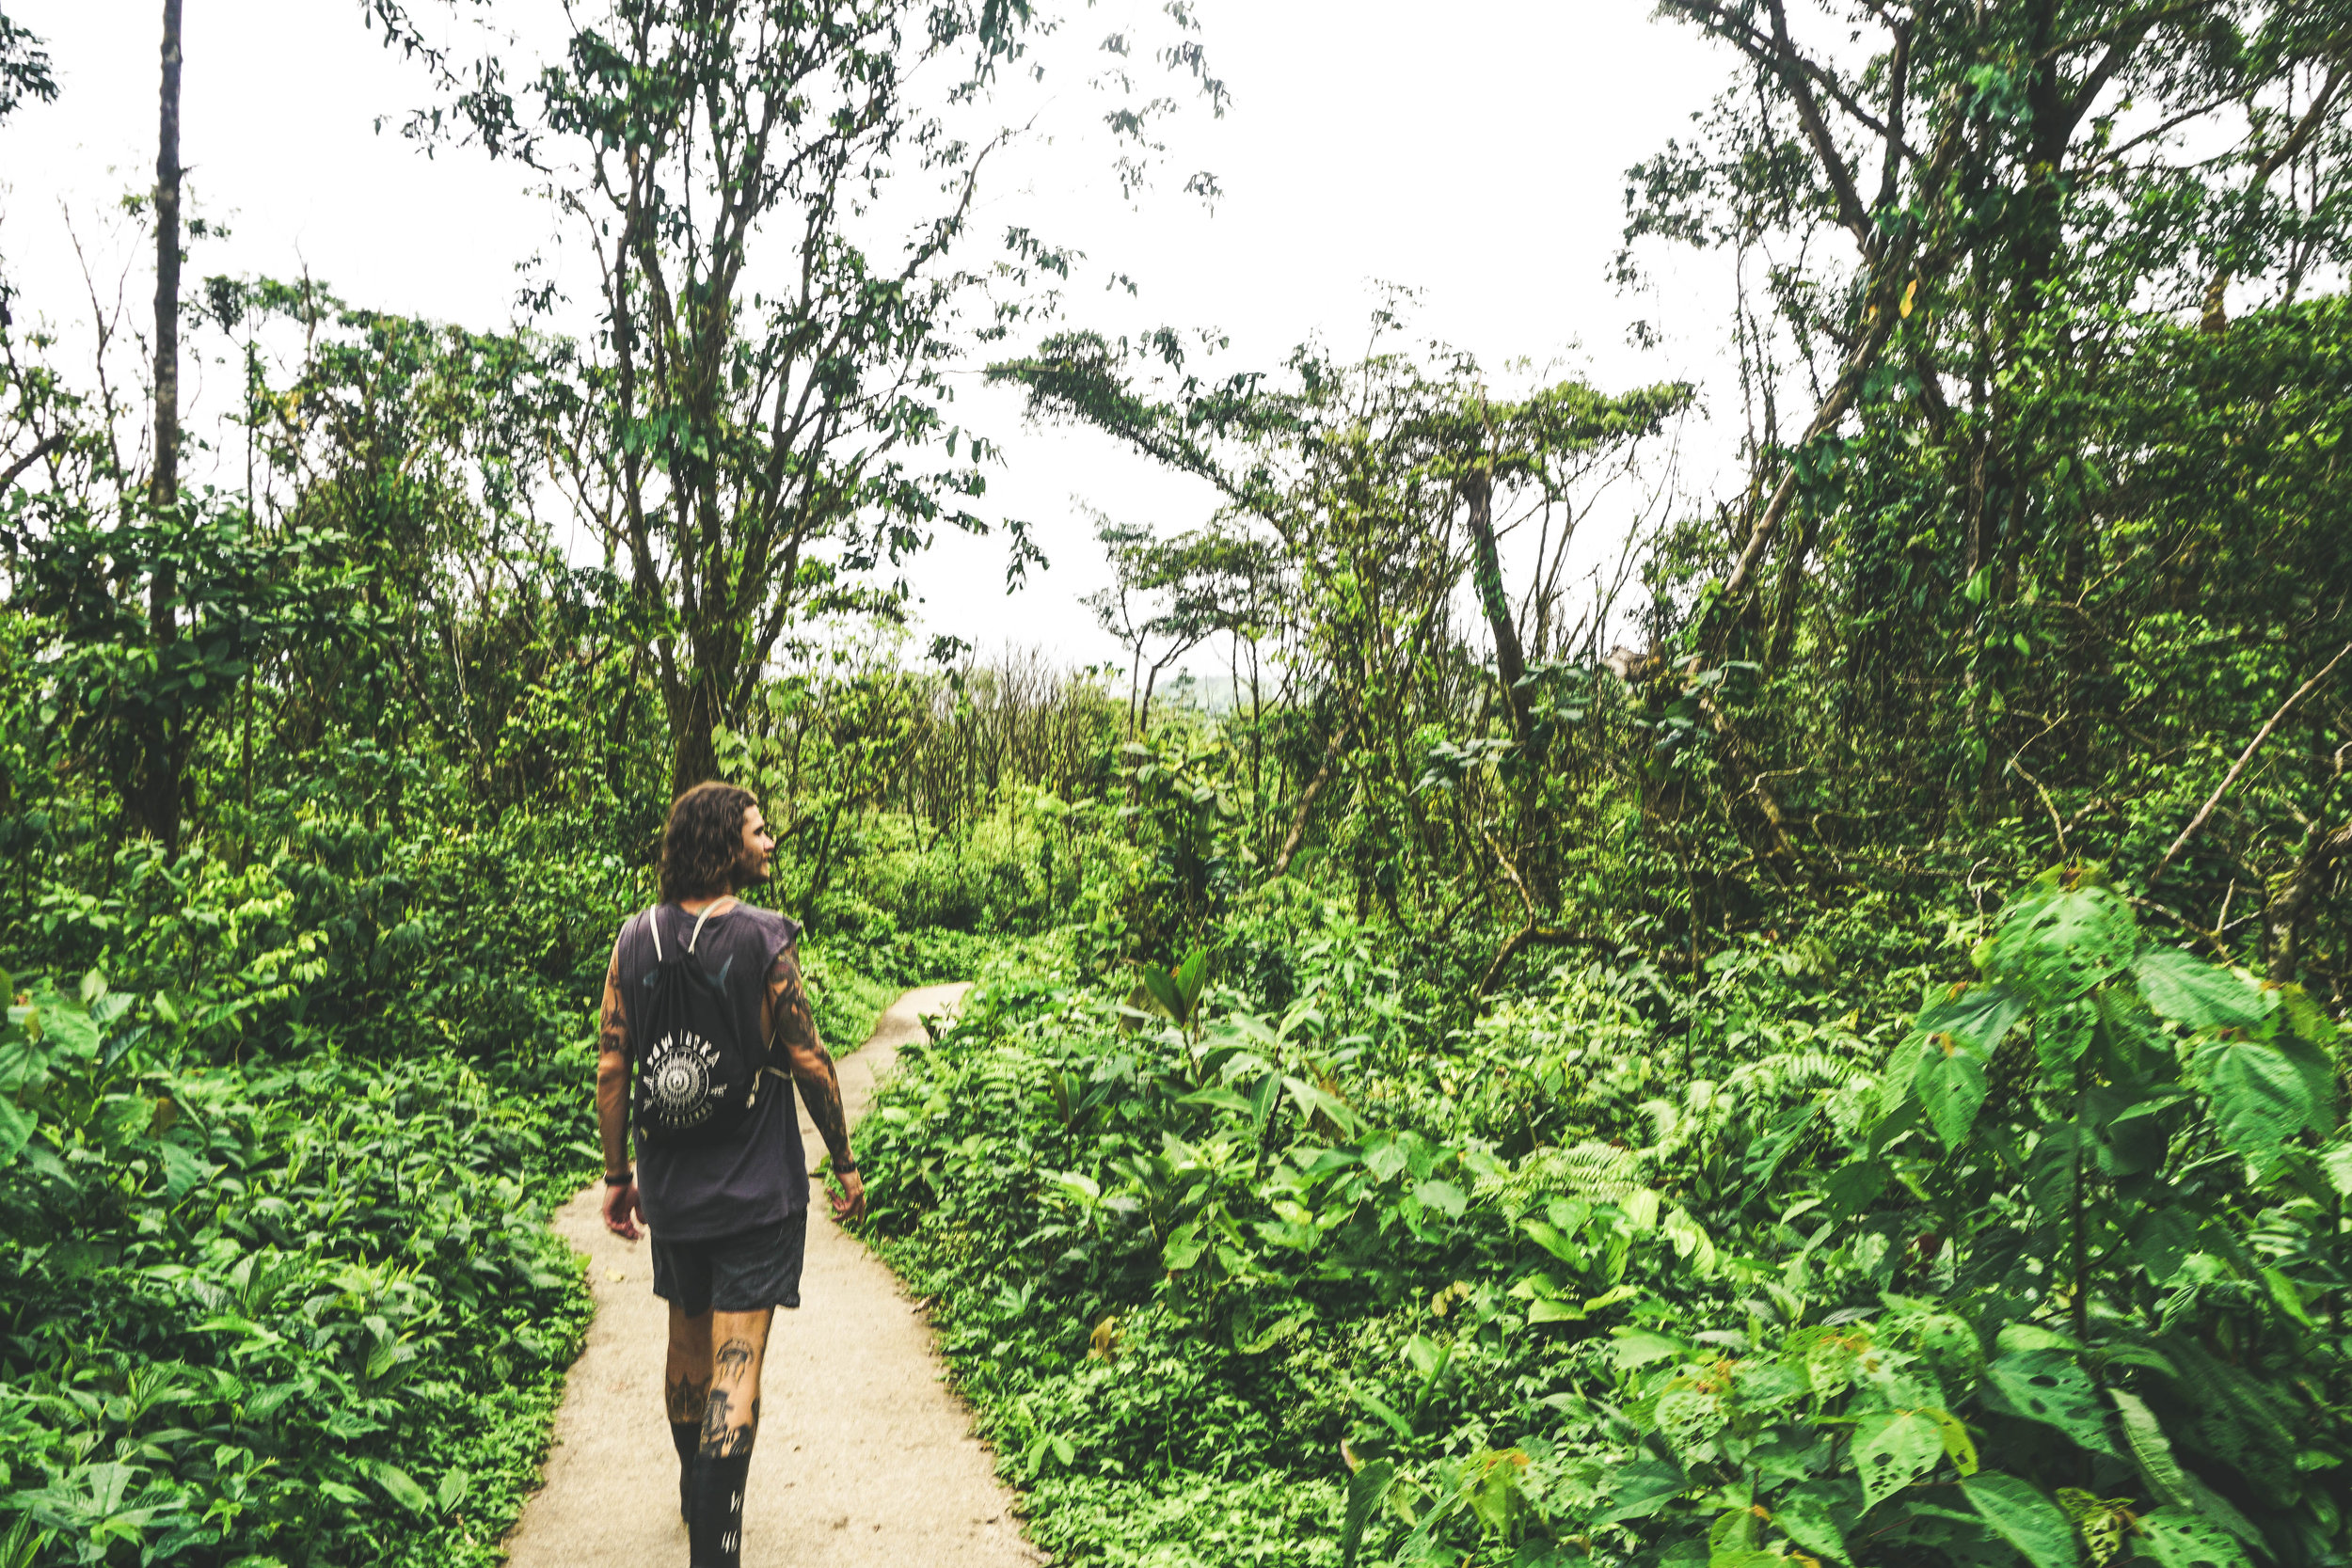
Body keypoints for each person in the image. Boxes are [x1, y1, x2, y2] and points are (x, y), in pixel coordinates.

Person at [595, 781, 863, 1568]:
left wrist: (619, 1174)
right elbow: (809, 1057)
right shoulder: (762, 937)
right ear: (724, 843)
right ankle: (717, 1548)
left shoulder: (633, 937)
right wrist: (842, 1160)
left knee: (686, 1343)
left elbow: (614, 1064)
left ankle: (695, 1488)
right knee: (735, 1363)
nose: (769, 840)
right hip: (755, 1188)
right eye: (757, 830)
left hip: (673, 1188)